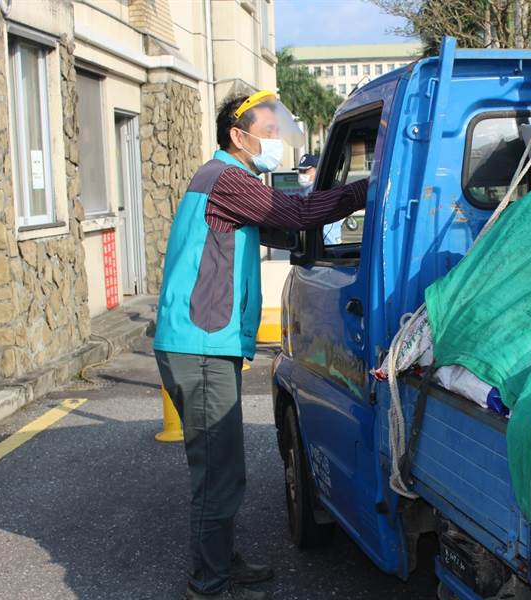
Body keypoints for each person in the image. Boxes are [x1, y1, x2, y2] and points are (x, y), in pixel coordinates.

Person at [153, 91, 368, 600]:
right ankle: (209, 582)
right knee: (218, 470)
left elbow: (279, 226)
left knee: (221, 466)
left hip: (203, 341)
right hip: (200, 344)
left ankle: (222, 561)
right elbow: (296, 213)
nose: (275, 141)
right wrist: (366, 191)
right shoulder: (225, 178)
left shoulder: (228, 180)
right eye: (268, 132)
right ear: (238, 135)